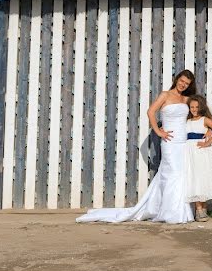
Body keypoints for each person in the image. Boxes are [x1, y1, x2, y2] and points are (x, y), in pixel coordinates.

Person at [76, 70, 197, 224]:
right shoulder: (165, 95)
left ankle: (179, 211)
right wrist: (158, 132)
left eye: (187, 84)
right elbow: (150, 112)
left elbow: (194, 117)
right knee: (171, 174)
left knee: (181, 175)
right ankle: (171, 213)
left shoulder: (186, 99)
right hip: (170, 142)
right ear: (177, 79)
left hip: (183, 142)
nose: (183, 85)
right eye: (182, 81)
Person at [185, 95, 212, 221]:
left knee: (202, 178)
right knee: (194, 178)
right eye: (192, 107)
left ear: (201, 107)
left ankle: (202, 208)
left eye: (197, 107)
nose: (194, 109)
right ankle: (198, 209)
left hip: (201, 151)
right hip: (189, 151)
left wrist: (208, 142)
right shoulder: (186, 121)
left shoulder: (204, 120)